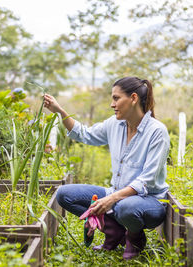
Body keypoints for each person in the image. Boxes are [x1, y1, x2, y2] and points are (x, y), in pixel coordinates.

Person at [43, 76, 170, 260]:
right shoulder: (114, 124)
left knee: (125, 207)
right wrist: (59, 111)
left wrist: (110, 199)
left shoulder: (157, 131)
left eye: (116, 98)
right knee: (64, 194)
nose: (112, 104)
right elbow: (84, 134)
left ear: (133, 98)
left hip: (148, 201)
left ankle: (135, 238)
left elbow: (146, 180)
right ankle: (114, 232)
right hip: (117, 195)